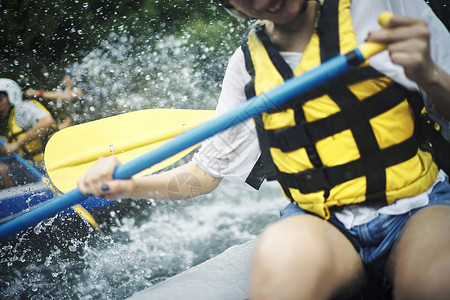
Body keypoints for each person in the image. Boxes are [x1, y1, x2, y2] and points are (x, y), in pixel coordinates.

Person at [78, 0, 450, 299]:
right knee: (281, 260)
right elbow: (202, 177)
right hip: (322, 223)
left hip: (416, 206)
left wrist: (429, 74)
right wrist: (131, 186)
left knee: (436, 281)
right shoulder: (248, 67)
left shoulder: (385, 10)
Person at [0, 78, 58, 188]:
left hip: (47, 167)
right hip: (35, 167)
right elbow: (14, 149)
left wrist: (16, 144)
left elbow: (47, 122)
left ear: (12, 95)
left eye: (0, 99)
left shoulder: (22, 108)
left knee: (1, 170)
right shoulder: (13, 120)